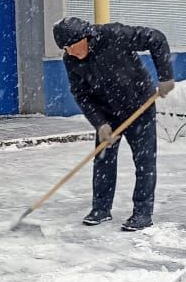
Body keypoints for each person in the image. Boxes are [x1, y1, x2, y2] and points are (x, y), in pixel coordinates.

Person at [52, 17, 175, 231]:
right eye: (65, 49)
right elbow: (82, 95)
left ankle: (142, 213)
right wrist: (100, 124)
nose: (69, 52)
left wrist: (166, 77)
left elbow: (156, 39)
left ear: (83, 38)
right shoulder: (71, 60)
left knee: (144, 162)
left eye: (70, 46)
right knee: (103, 160)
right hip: (107, 113)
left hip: (139, 107)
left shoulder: (114, 35)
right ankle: (101, 209)